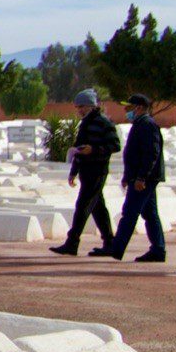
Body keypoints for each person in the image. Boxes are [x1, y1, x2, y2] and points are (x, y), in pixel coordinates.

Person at [94, 94, 165, 262]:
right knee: (150, 213)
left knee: (130, 212)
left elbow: (151, 153)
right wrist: (128, 176)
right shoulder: (140, 124)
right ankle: (158, 249)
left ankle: (117, 249)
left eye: (129, 108)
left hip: (144, 179)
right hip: (139, 176)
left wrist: (141, 177)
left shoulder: (147, 125)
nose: (126, 111)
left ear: (139, 107)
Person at [51, 89, 120, 256]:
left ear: (90, 106)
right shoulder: (85, 124)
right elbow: (78, 148)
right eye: (77, 107)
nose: (79, 110)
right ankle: (110, 243)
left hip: (97, 170)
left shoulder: (104, 123)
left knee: (83, 206)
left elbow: (115, 146)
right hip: (86, 170)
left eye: (81, 106)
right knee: (97, 207)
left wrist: (94, 150)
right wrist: (73, 171)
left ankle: (72, 242)